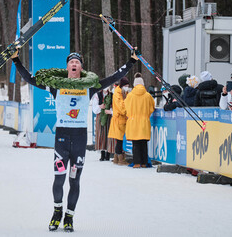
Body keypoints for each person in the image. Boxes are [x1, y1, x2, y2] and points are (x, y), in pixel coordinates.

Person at [11, 50, 139, 232]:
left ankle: (69, 217)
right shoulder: (56, 85)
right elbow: (31, 79)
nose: (74, 64)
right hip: (62, 138)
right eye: (71, 62)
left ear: (81, 67)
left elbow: (115, 77)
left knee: (74, 180)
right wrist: (16, 60)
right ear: (67, 67)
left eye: (77, 62)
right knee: (59, 179)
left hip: (79, 139)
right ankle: (57, 212)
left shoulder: (90, 86)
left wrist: (132, 61)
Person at [124, 73, 155, 168]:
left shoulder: (130, 96)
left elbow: (126, 108)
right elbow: (152, 107)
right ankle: (144, 162)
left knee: (135, 144)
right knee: (144, 143)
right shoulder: (147, 95)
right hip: (144, 121)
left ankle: (137, 162)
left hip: (133, 122)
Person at [108, 77, 131, 166]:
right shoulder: (117, 93)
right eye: (125, 85)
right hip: (119, 119)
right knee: (120, 139)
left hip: (122, 119)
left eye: (128, 85)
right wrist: (127, 104)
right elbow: (122, 108)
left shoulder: (123, 92)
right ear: (122, 85)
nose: (127, 87)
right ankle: (120, 159)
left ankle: (116, 158)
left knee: (120, 139)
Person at [92, 86, 115, 161]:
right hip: (101, 115)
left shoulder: (112, 95)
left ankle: (108, 154)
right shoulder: (97, 95)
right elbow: (94, 108)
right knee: (101, 134)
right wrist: (100, 106)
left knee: (109, 134)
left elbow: (114, 106)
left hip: (109, 116)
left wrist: (110, 110)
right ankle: (102, 154)